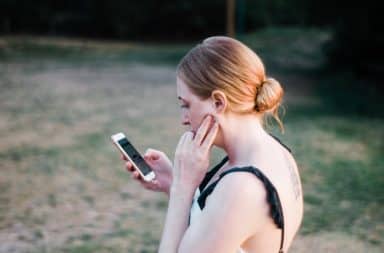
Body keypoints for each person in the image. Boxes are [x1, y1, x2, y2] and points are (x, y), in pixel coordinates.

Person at [122, 36, 303, 253]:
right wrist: (172, 181)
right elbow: (215, 231)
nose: (184, 119)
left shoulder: (241, 188)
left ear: (218, 103)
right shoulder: (277, 153)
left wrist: (182, 188)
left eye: (186, 105)